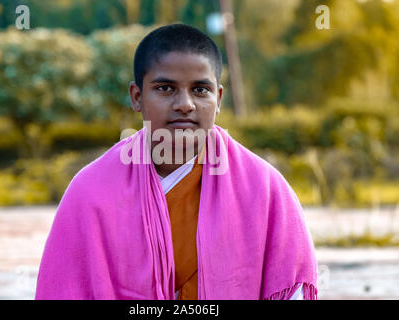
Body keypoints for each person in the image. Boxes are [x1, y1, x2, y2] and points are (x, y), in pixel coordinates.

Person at [35, 23, 317, 300]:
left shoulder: (265, 190)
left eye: (200, 90)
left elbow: (290, 290)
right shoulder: (90, 191)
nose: (185, 104)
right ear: (137, 96)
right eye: (166, 88)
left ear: (218, 98)